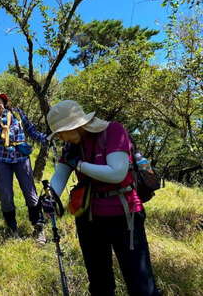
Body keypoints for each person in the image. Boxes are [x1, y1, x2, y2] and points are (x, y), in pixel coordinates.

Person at [46, 100, 160, 296]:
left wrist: (79, 165)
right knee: (99, 284)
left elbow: (116, 173)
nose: (61, 137)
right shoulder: (71, 146)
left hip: (125, 216)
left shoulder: (114, 131)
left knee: (141, 284)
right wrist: (50, 197)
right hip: (89, 219)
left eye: (62, 132)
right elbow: (60, 175)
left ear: (76, 125)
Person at [0, 89, 47, 243]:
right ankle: (12, 229)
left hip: (21, 157)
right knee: (5, 194)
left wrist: (46, 138)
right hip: (2, 158)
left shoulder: (16, 113)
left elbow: (31, 130)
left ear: (4, 100)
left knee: (30, 192)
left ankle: (38, 226)